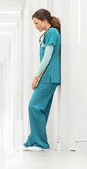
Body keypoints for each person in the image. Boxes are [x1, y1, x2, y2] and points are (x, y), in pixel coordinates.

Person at [24, 9, 61, 151]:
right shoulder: (49, 33)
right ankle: (33, 141)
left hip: (49, 76)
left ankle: (40, 143)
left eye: (36, 23)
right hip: (49, 77)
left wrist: (36, 77)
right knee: (41, 109)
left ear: (44, 19)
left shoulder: (51, 32)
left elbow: (47, 57)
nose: (36, 26)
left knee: (34, 106)